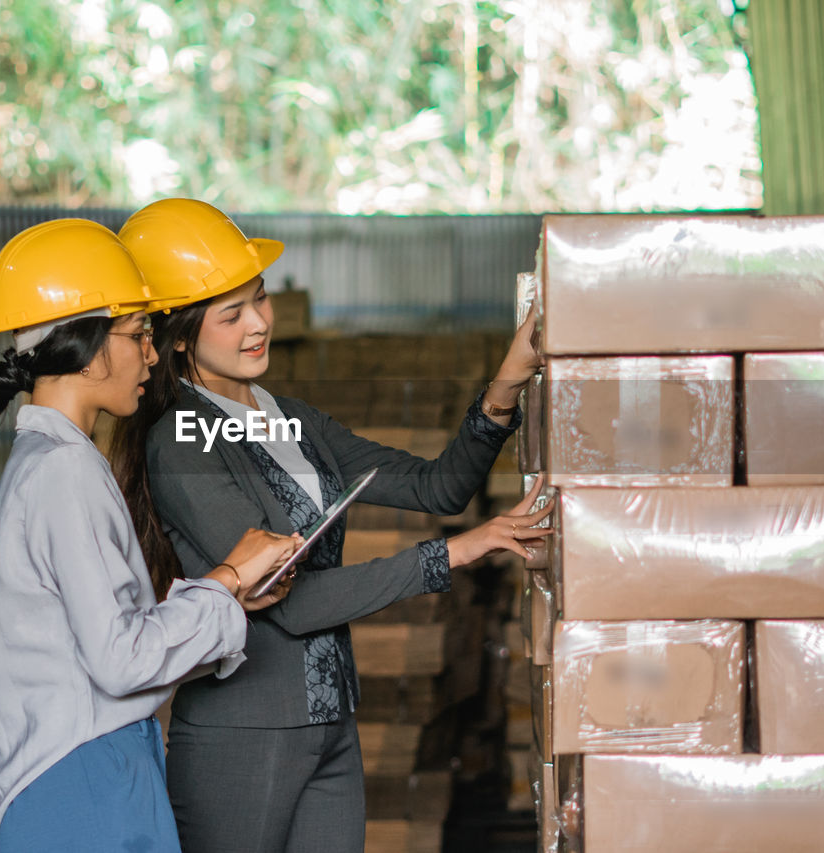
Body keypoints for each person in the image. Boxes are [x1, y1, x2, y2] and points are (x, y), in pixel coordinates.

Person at [108, 199, 549, 853]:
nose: (258, 324)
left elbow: (441, 486)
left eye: (260, 299)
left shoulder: (292, 421)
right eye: (231, 315)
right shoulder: (181, 443)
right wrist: (458, 551)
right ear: (177, 336)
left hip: (331, 721)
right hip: (244, 735)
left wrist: (508, 380)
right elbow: (295, 601)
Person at [0, 217, 301, 853]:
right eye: (138, 334)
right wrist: (228, 579)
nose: (153, 354)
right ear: (90, 345)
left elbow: (103, 640)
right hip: (82, 780)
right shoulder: (63, 470)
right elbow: (121, 661)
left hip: (84, 770)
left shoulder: (51, 458)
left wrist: (220, 596)